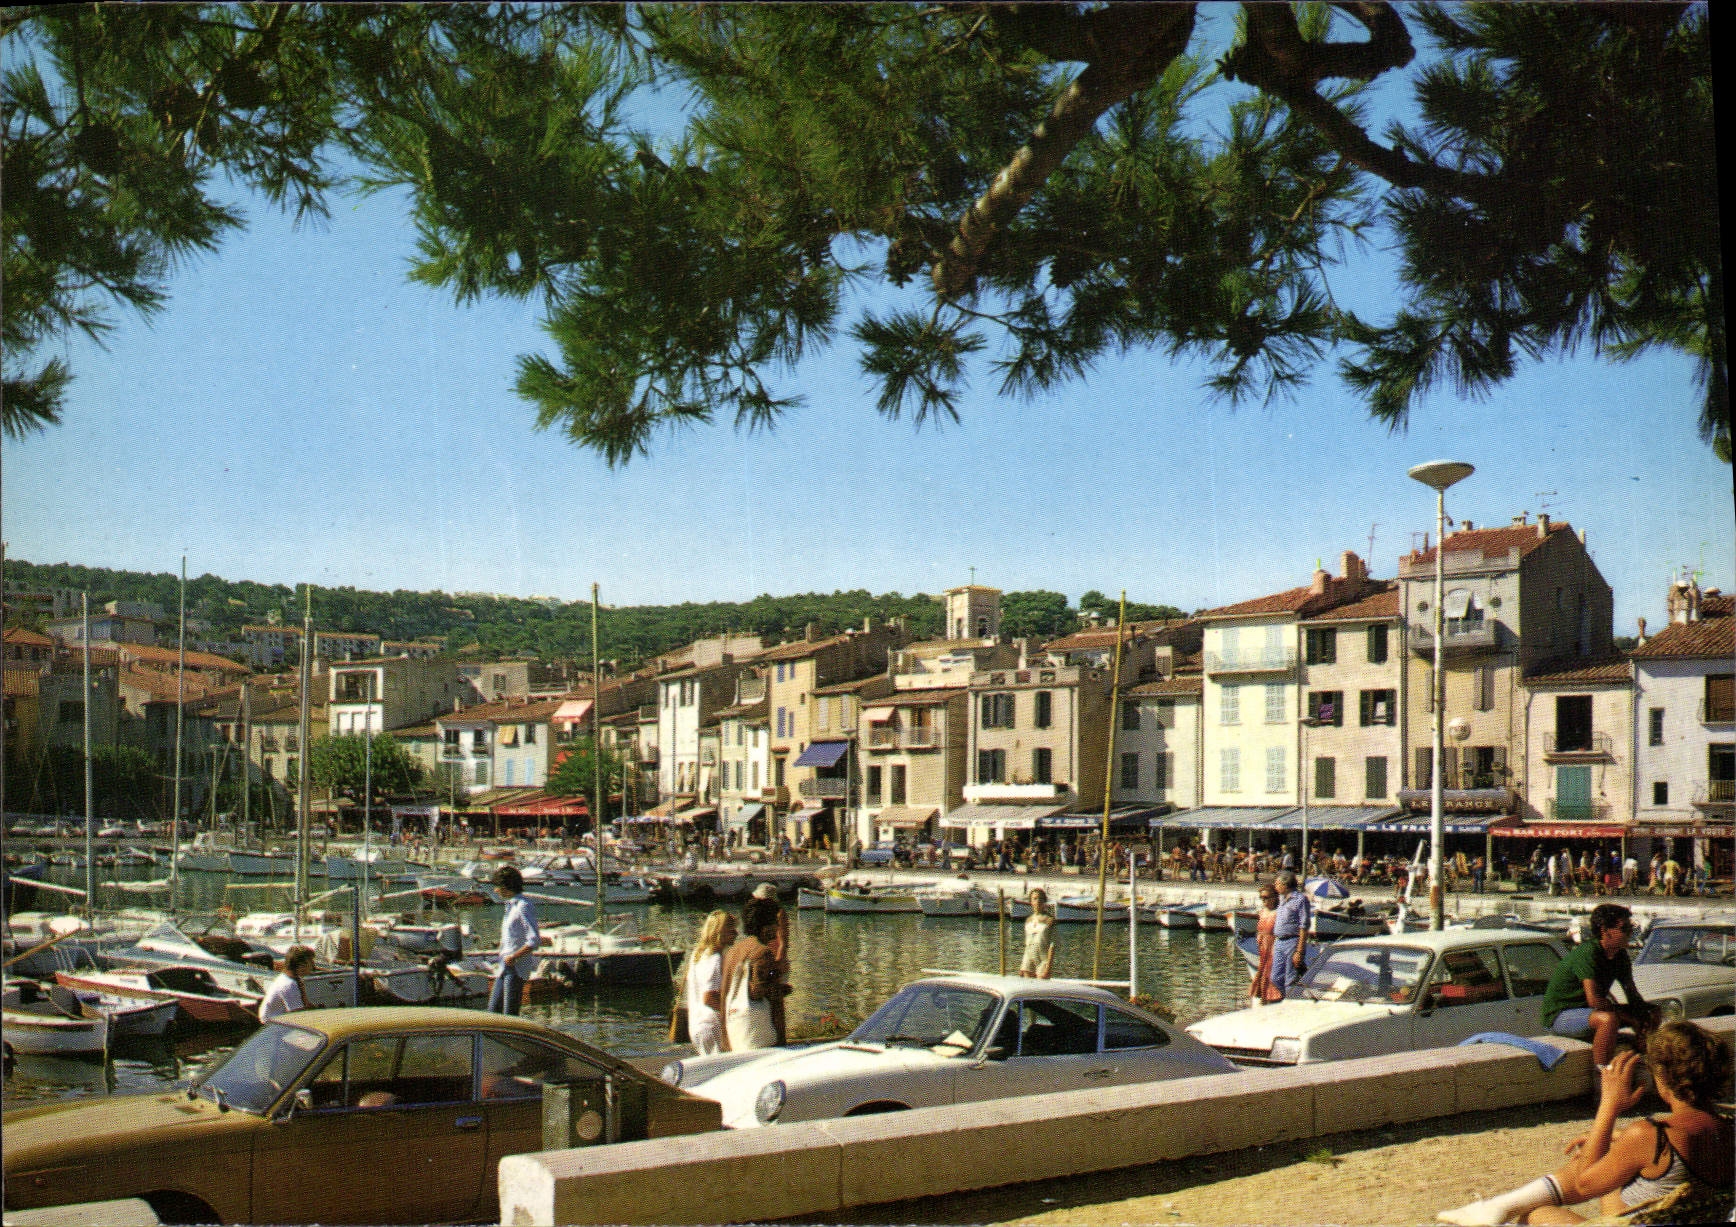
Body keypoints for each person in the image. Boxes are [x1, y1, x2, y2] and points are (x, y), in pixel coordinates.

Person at [1436, 1021, 1734, 1225]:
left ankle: (1497, 1208)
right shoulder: (1729, 1128)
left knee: (1536, 1217)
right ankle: (1495, 1207)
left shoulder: (1651, 1136)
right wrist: (1615, 1139)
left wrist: (1609, 1105)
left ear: (1663, 1077)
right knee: (1607, 1151)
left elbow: (1584, 1183)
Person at [1541, 903, 1658, 1072]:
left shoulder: (1620, 956)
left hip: (1589, 1012)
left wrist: (1645, 1018)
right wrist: (1630, 1019)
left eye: (1631, 927)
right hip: (1562, 1014)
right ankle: (1601, 1075)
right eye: (1624, 928)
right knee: (1608, 1020)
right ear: (1605, 930)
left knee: (1653, 1012)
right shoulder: (1588, 953)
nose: (1630, 932)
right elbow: (1594, 1000)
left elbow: (1632, 994)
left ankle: (1645, 1060)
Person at [721, 895, 790, 1049]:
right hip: (758, 1037)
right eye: (775, 924)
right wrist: (778, 979)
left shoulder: (733, 951)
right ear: (765, 927)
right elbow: (757, 990)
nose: (778, 930)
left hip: (734, 1032)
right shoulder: (762, 952)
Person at [488, 865, 539, 1015]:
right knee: (492, 1011)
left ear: (505, 886)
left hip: (515, 966)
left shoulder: (523, 906)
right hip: (504, 965)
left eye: (497, 886)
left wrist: (514, 956)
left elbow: (534, 940)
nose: (495, 890)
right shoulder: (510, 906)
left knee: (509, 1013)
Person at [684, 910, 736, 1055]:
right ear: (720, 932)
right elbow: (709, 998)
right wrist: (732, 1013)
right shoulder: (715, 958)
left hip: (697, 1024)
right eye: (731, 930)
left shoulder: (698, 954)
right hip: (711, 1026)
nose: (737, 934)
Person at [1270, 870, 1311, 995]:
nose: (1275, 886)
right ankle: (1285, 998)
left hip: (1292, 941)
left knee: (1290, 979)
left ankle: (1290, 1000)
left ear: (1285, 884)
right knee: (1275, 978)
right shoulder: (1282, 899)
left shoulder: (1300, 899)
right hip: (1279, 941)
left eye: (1277, 884)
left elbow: (1303, 926)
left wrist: (1299, 951)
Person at [259, 945, 316, 1022]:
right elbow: (297, 1015)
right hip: (273, 1023)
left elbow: (305, 1006)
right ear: (301, 964)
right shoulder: (288, 985)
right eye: (311, 962)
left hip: (280, 1018)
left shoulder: (290, 978)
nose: (313, 966)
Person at [1248, 884, 1283, 1006]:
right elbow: (1260, 930)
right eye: (1261, 897)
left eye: (1266, 897)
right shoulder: (1262, 912)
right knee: (1262, 973)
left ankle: (1271, 999)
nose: (1263, 900)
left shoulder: (1278, 913)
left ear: (1274, 897)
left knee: (1270, 974)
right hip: (1263, 946)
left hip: (1273, 946)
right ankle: (1263, 998)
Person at [1020, 888, 1055, 979]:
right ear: (1031, 902)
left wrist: (1048, 968)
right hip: (1029, 957)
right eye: (1035, 899)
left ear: (1044, 901)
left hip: (1042, 958)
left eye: (1040, 899)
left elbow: (1052, 945)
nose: (1038, 901)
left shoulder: (1049, 919)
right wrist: (1022, 966)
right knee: (1027, 988)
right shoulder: (1028, 920)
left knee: (1040, 987)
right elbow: (1027, 944)